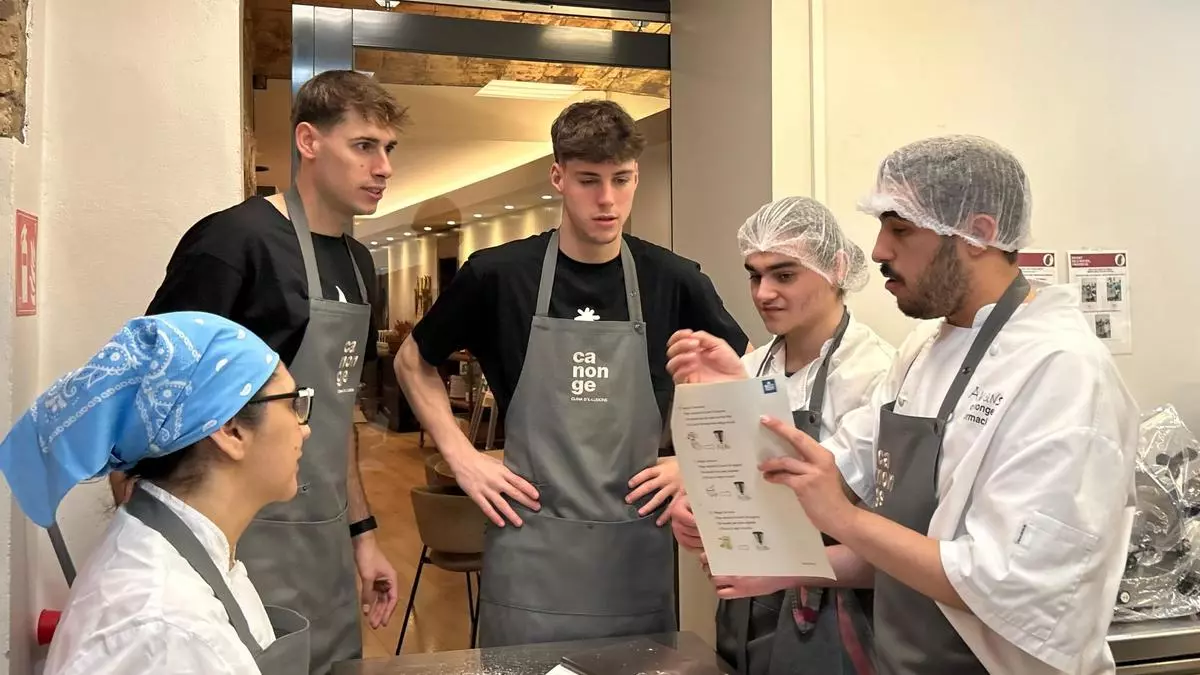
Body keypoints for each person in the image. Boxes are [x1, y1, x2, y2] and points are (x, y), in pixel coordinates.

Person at [666, 135, 1138, 674]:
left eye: (901, 229)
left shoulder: (1061, 370)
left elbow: (1006, 580)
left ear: (979, 233)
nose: (878, 251)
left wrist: (843, 518)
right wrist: (723, 477)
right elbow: (833, 471)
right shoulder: (922, 351)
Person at [395, 99, 750, 647]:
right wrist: (461, 457)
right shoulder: (498, 276)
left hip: (635, 552)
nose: (607, 200)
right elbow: (412, 360)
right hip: (529, 545)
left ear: (636, 177)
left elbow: (750, 381)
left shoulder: (672, 279)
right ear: (558, 177)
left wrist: (696, 464)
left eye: (621, 179)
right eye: (588, 180)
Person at [110, 69, 407, 673]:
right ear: (308, 140)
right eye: (364, 146)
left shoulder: (359, 264)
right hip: (239, 541)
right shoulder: (234, 242)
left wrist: (363, 536)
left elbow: (336, 418)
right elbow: (145, 396)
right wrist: (150, 548)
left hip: (324, 542)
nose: (383, 167)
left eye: (388, 149)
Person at [0, 312, 313, 674]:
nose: (304, 428)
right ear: (230, 429)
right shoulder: (165, 630)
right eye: (294, 404)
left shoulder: (193, 560)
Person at [668, 196, 895, 674]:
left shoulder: (878, 375)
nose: (763, 293)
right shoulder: (752, 365)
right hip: (747, 608)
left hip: (840, 613)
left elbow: (839, 505)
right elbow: (732, 483)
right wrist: (695, 511)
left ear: (836, 268)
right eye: (755, 276)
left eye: (784, 275)